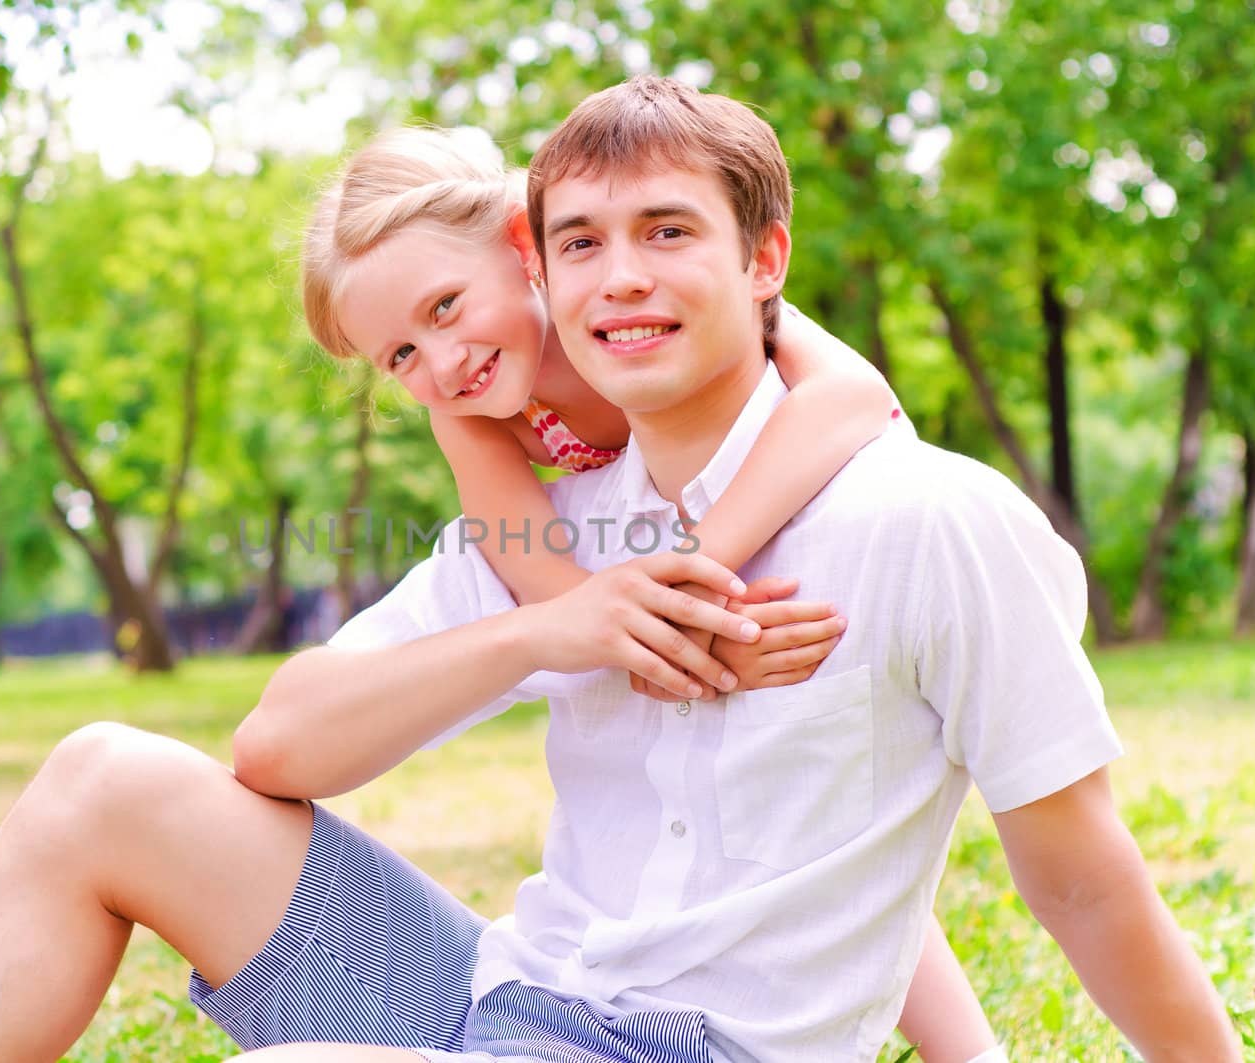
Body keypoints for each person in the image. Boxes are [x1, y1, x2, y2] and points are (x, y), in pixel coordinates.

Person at [0, 77, 1242, 1063]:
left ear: (763, 262)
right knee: (104, 772)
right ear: (547, 255)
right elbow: (275, 740)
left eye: (664, 236)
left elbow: (1068, 872)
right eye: (586, 241)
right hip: (495, 991)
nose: (618, 279)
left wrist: (692, 564)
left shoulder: (918, 513)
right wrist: (558, 628)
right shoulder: (544, 511)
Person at [299, 124, 997, 1060]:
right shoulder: (463, 414)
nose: (442, 361)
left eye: (448, 306)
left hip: (759, 499)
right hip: (654, 551)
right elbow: (561, 598)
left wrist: (697, 582)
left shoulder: (656, 301)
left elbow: (857, 400)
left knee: (812, 808)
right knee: (763, 817)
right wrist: (678, 634)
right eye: (399, 356)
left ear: (525, 245)